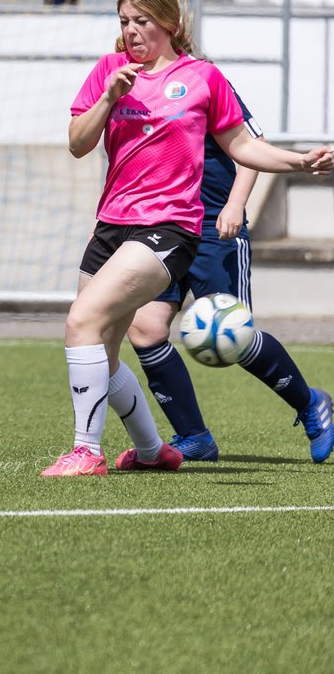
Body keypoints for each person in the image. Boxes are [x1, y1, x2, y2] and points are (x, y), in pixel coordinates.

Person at [43, 0, 333, 477]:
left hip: (173, 227)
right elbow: (77, 142)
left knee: (85, 321)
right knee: (109, 345)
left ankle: (87, 451)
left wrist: (298, 163)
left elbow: (243, 146)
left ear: (171, 23)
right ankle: (162, 448)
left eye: (142, 22)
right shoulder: (110, 71)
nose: (131, 32)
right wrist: (108, 97)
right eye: (124, 22)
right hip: (111, 226)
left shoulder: (203, 77)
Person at [127, 94, 333, 463]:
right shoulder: (136, 92)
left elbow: (253, 148)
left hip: (213, 229)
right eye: (126, 31)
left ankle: (311, 403)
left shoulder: (206, 81)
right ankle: (195, 436)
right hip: (158, 228)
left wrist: (236, 203)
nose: (133, 35)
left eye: (144, 30)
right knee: (145, 328)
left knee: (234, 335)